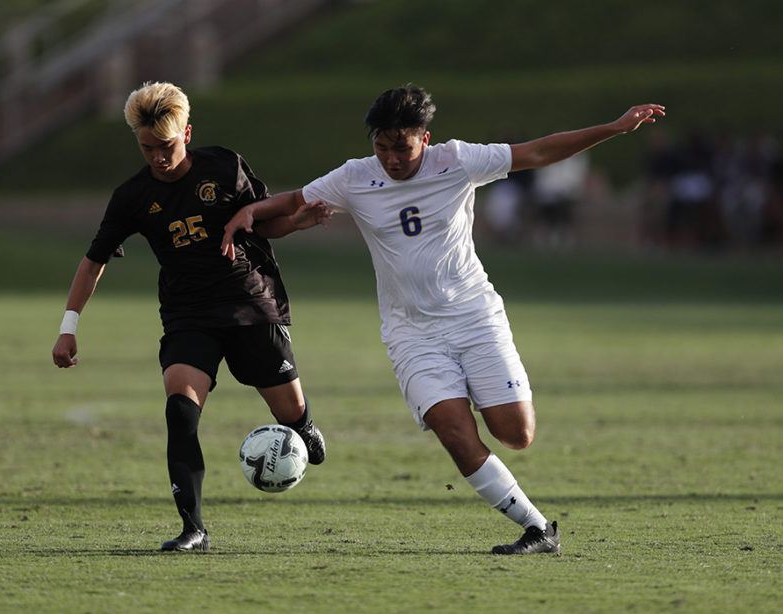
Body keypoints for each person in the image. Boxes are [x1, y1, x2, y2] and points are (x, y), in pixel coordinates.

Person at [221, 84, 665, 555]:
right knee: (454, 432)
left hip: (474, 317)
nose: (391, 158)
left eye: (402, 147)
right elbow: (286, 208)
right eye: (382, 146)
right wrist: (250, 211)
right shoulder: (355, 176)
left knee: (517, 434)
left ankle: (483, 394)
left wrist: (615, 129)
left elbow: (537, 152)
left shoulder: (457, 160)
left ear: (425, 139)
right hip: (411, 333)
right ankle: (538, 529)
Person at [51, 81, 329, 553]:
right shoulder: (132, 196)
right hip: (188, 315)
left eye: (167, 146)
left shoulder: (224, 165)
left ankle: (302, 426)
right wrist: (68, 328)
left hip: (248, 302)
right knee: (180, 411)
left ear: (187, 132)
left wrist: (295, 223)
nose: (158, 157)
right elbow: (93, 260)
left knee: (289, 411)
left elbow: (263, 223)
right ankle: (193, 528)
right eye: (147, 148)